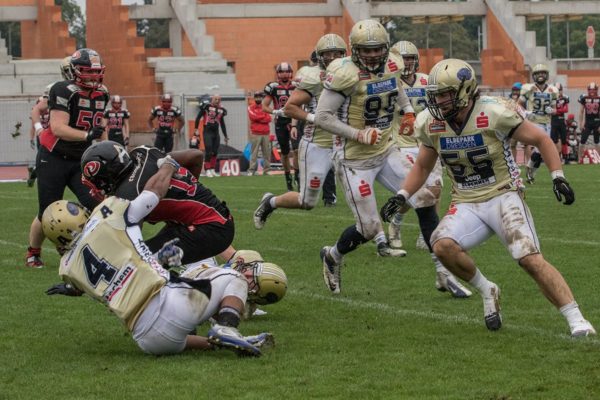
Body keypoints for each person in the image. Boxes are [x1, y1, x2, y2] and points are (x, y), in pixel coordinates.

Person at [381, 58, 596, 337]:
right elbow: (422, 166)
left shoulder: (494, 112)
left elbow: (541, 139)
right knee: (441, 245)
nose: (438, 101)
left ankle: (576, 319)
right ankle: (487, 289)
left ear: (464, 90)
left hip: (503, 194)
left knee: (529, 258)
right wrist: (402, 194)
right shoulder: (430, 122)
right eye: (435, 95)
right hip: (466, 201)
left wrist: (558, 176)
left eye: (445, 94)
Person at [42, 160, 273, 356]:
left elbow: (82, 284)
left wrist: (72, 287)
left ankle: (222, 343)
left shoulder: (67, 267)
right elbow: (152, 195)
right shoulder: (106, 215)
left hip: (147, 339)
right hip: (168, 305)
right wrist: (167, 167)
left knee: (176, 335)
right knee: (235, 279)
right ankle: (227, 328)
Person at [314, 20, 471, 296]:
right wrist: (357, 134)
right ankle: (333, 255)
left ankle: (443, 273)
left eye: (378, 49)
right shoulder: (343, 73)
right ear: (354, 49)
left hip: (386, 150)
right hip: (353, 159)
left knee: (425, 197)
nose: (373, 55)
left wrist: (408, 111)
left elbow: (395, 85)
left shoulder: (393, 64)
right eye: (367, 50)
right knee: (369, 228)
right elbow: (323, 117)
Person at [81, 141, 234, 266]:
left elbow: (131, 239)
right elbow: (195, 156)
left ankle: (204, 281)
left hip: (212, 228)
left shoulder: (128, 193)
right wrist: (189, 190)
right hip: (214, 217)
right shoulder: (143, 151)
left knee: (140, 265)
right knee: (149, 258)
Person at [253, 34, 347, 229]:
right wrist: (316, 119)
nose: (333, 58)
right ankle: (271, 202)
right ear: (319, 56)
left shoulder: (352, 73)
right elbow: (290, 108)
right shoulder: (313, 76)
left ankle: (381, 236)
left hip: (346, 141)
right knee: (307, 201)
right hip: (318, 142)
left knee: (360, 189)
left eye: (337, 53)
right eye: (328, 54)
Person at [25, 48, 108, 268]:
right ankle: (33, 252)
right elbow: (58, 128)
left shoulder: (103, 93)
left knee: (97, 204)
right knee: (47, 210)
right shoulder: (62, 89)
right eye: (87, 71)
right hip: (53, 156)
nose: (92, 76)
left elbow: (101, 126)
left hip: (80, 159)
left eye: (95, 71)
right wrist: (88, 135)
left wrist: (108, 149)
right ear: (74, 71)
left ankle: (85, 248)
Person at [386, 40, 444, 253]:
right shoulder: (388, 83)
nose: (407, 62)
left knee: (435, 189)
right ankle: (396, 223)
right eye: (403, 58)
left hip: (426, 141)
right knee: (412, 191)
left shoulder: (427, 81)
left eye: (410, 58)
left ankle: (428, 232)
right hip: (401, 142)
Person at [518, 64, 558, 183]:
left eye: (543, 73)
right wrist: (525, 112)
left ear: (546, 75)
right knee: (539, 151)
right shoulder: (528, 89)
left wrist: (552, 110)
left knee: (540, 154)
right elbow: (518, 104)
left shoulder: (552, 90)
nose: (540, 75)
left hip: (547, 124)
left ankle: (530, 172)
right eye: (538, 73)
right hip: (533, 123)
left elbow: (555, 109)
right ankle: (530, 169)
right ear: (534, 76)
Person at [263, 62, 297, 191]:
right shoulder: (273, 87)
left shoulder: (296, 86)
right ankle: (288, 180)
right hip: (281, 122)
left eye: (286, 71)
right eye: (282, 71)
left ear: (290, 73)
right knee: (285, 152)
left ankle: (298, 177)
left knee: (297, 150)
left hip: (295, 120)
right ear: (278, 73)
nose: (284, 74)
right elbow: (264, 106)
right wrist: (275, 111)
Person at [194, 95, 229, 177]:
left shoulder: (221, 110)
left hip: (216, 133)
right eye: (215, 99)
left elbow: (222, 123)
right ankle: (207, 169)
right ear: (212, 100)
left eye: (219, 99)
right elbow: (198, 117)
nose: (217, 101)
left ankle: (212, 169)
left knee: (215, 151)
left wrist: (225, 135)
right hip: (207, 131)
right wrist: (196, 129)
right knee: (208, 149)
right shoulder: (207, 107)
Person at [247, 91, 272, 175]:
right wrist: (263, 116)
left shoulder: (266, 107)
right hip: (255, 133)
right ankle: (251, 170)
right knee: (254, 153)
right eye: (257, 97)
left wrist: (259, 118)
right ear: (254, 98)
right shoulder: (250, 107)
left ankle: (267, 170)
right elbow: (253, 117)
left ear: (262, 98)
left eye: (260, 97)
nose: (258, 98)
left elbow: (269, 119)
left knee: (266, 153)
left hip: (266, 133)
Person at [577, 82, 600, 161]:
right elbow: (581, 111)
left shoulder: (599, 98)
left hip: (597, 122)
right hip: (588, 122)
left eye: (594, 90)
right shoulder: (584, 98)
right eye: (591, 90)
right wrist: (581, 123)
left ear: (597, 90)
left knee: (597, 141)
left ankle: (598, 159)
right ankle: (580, 159)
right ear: (588, 90)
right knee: (583, 140)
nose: (592, 91)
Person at [550, 83, 569, 162]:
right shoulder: (551, 98)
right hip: (553, 121)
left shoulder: (565, 98)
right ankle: (557, 156)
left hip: (561, 120)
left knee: (564, 139)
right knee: (554, 140)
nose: (559, 92)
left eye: (560, 90)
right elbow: (550, 111)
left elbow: (566, 109)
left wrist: (556, 111)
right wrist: (557, 111)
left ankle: (565, 157)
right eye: (557, 90)